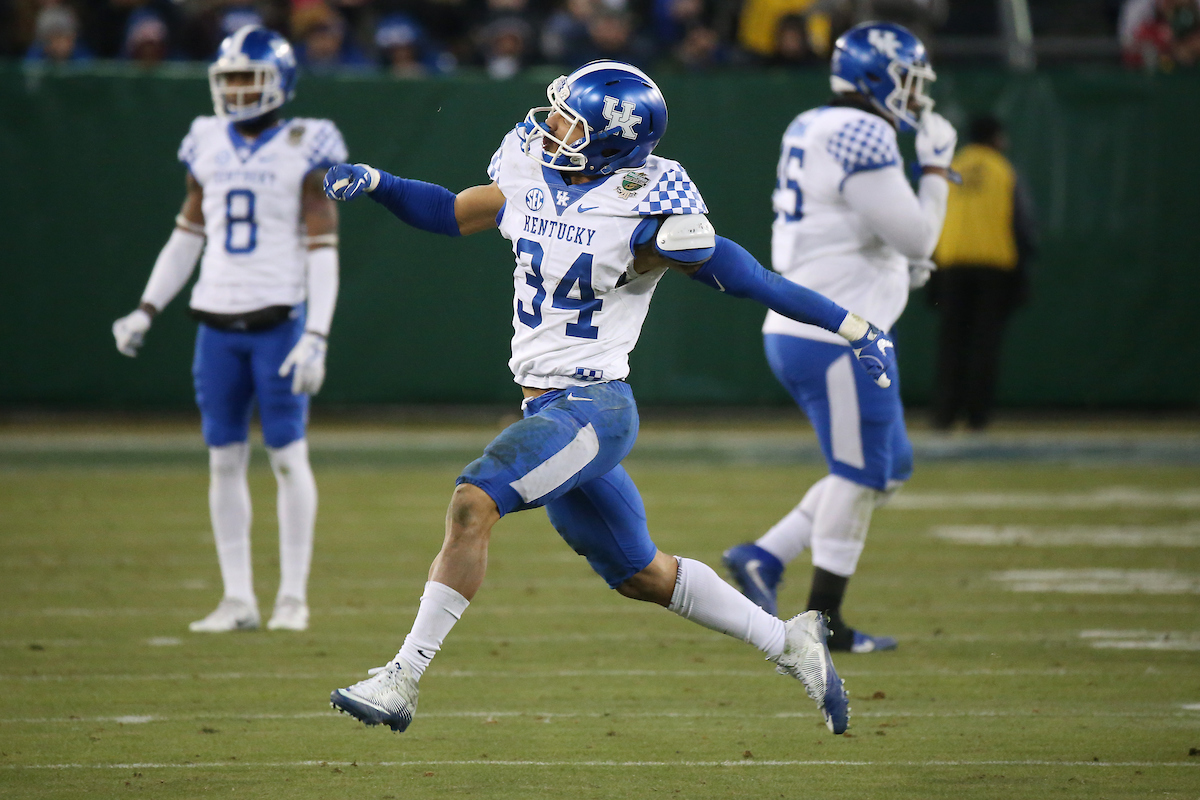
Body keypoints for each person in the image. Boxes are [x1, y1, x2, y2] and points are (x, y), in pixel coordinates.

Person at [319, 60, 901, 736]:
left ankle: (402, 679)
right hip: (549, 411)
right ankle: (791, 642)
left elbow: (750, 279)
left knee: (473, 503)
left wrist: (852, 325)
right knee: (642, 574)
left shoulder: (645, 205)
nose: (552, 126)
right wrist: (381, 184)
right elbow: (454, 211)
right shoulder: (531, 170)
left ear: (613, 137)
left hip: (593, 407)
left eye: (570, 119)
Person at [722, 22, 957, 653]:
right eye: (907, 82)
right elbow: (919, 238)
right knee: (859, 473)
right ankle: (823, 621)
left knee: (889, 467)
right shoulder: (862, 130)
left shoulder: (812, 122)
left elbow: (870, 231)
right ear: (878, 78)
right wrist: (935, 168)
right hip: (838, 334)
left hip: (819, 327)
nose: (914, 97)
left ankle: (763, 557)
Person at [111, 25, 347, 633]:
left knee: (289, 457)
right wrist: (147, 307)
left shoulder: (306, 141)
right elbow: (187, 233)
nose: (238, 90)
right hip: (213, 322)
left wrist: (317, 334)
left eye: (250, 77)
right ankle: (238, 598)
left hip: (277, 321)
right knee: (223, 460)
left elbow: (323, 243)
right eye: (230, 78)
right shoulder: (205, 139)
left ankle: (292, 597)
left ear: (280, 82)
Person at [928, 115, 1037, 431]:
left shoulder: (953, 169)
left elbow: (931, 216)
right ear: (995, 138)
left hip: (951, 266)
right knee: (984, 345)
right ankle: (977, 417)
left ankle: (944, 415)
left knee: (951, 344)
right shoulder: (1003, 170)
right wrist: (1025, 263)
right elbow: (1024, 223)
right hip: (993, 267)